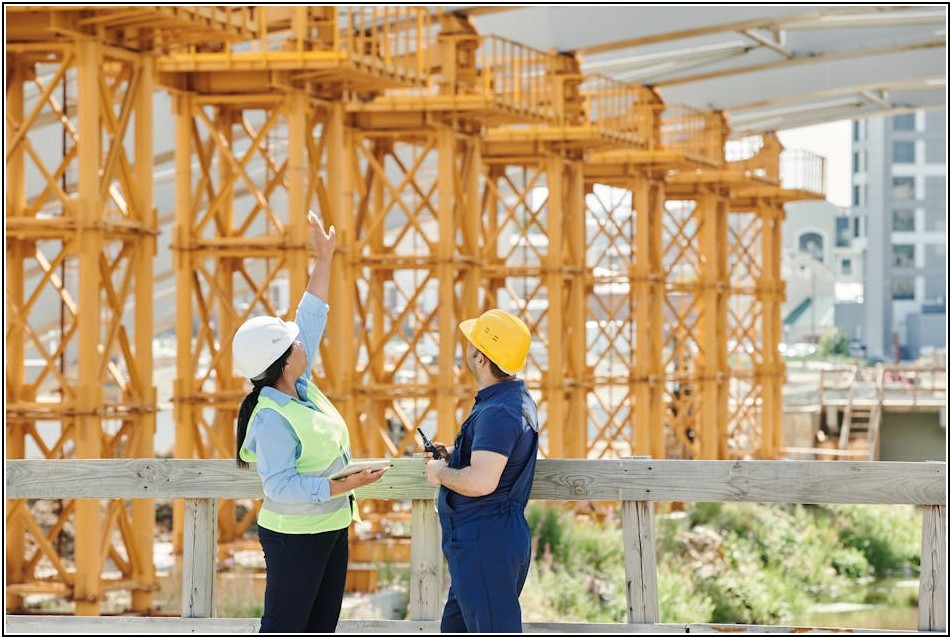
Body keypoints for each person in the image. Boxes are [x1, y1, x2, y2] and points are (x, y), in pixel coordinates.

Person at [232, 210, 388, 633]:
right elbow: (278, 485)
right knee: (286, 629)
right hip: (296, 536)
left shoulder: (301, 386)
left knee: (321, 628)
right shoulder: (271, 418)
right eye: (293, 342)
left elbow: (312, 316)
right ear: (283, 362)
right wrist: (343, 485)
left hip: (333, 525)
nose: (301, 340)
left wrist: (325, 257)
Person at [424, 309, 540, 633]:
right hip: (485, 539)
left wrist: (440, 473)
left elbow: (482, 481)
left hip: (484, 540)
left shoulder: (499, 411)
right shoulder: (509, 401)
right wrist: (456, 456)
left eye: (472, 344)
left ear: (481, 358)